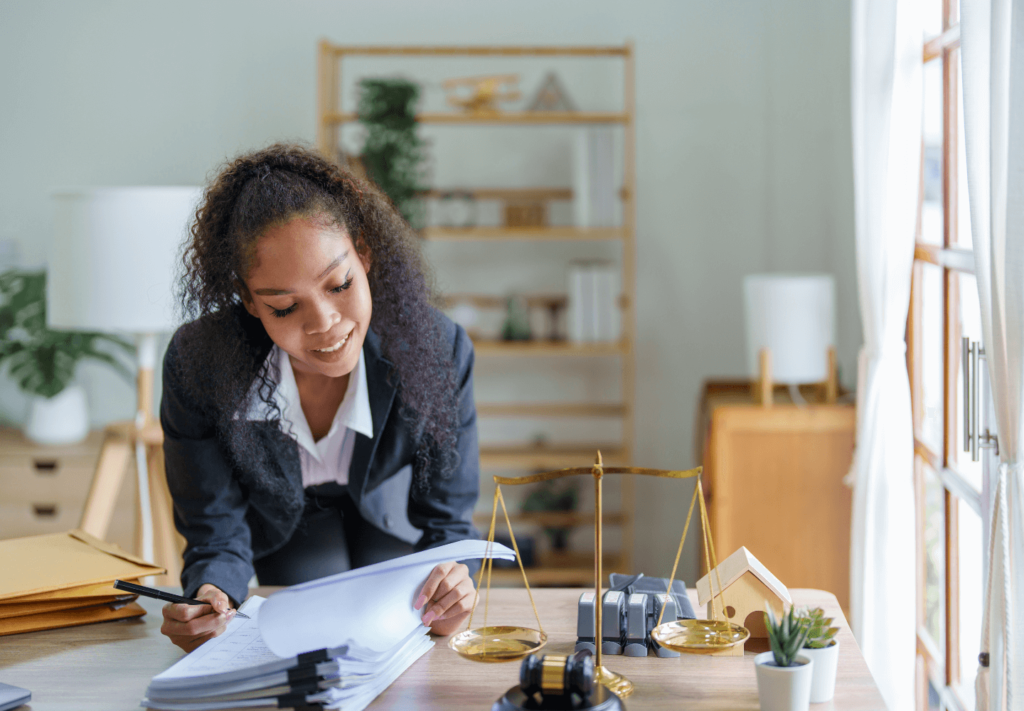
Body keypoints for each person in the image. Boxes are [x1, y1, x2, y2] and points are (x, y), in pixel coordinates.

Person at [158, 143, 480, 652]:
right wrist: (211, 593)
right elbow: (213, 527)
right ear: (248, 299)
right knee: (310, 596)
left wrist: (454, 587)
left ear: (364, 252)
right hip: (281, 527)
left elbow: (448, 520)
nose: (325, 325)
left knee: (392, 606)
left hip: (386, 514)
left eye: (340, 284)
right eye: (284, 308)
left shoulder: (436, 347)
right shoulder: (198, 363)